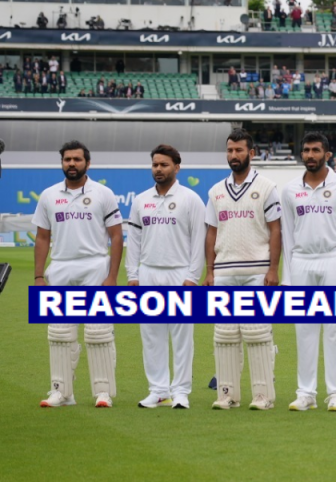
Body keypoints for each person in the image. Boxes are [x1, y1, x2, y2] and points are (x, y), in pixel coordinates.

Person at [34, 141, 124, 408]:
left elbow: (116, 236)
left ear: (87, 163)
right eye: (67, 160)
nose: (71, 164)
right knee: (59, 333)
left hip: (95, 266)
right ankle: (61, 392)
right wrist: (39, 277)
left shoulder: (103, 193)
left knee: (98, 332)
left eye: (76, 159)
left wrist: (112, 276)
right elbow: (41, 237)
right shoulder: (49, 195)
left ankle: (103, 392)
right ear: (62, 163)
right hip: (60, 268)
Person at [204, 129, 282, 410]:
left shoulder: (267, 187)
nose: (233, 156)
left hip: (257, 271)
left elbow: (275, 231)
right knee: (224, 334)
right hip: (224, 271)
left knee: (257, 332)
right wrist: (210, 272)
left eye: (238, 151)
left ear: (251, 153)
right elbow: (211, 234)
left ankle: (263, 396)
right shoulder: (215, 191)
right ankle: (227, 394)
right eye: (229, 151)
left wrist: (273, 269)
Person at [282, 132, 336, 413]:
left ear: (327, 154)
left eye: (316, 150)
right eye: (306, 150)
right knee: (304, 329)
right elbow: (288, 236)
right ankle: (306, 393)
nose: (310, 155)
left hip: (333, 261)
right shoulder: (290, 190)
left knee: (335, 329)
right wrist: (287, 278)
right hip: (301, 261)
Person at [127, 145, 205, 410]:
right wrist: (133, 275)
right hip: (149, 272)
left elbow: (199, 241)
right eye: (155, 165)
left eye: (164, 165)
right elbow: (133, 241)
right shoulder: (141, 200)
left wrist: (192, 277)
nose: (158, 169)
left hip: (179, 273)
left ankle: (181, 391)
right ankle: (159, 390)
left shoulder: (190, 199)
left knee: (182, 336)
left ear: (177, 167)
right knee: (151, 335)